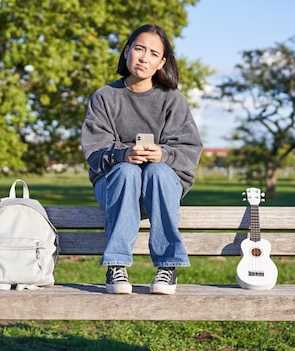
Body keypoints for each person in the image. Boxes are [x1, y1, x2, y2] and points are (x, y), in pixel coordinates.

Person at [80, 24, 203, 295]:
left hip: (161, 188)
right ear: (126, 53)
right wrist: (124, 155)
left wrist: (163, 154)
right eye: (139, 48)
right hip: (116, 187)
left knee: (157, 171)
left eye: (153, 53)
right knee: (127, 171)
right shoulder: (105, 97)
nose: (144, 57)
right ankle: (116, 266)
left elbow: (189, 149)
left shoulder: (172, 100)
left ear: (161, 63)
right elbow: (94, 150)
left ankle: (167, 267)